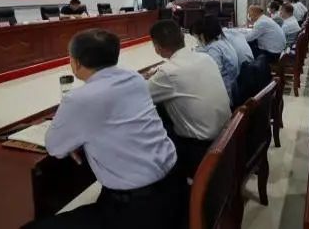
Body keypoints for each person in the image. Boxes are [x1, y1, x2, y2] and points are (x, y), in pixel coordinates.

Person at [26, 29, 181, 229]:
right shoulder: (134, 78)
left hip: (137, 210)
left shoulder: (80, 99)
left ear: (76, 62)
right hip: (173, 186)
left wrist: (73, 141)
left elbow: (54, 147)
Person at [147, 20, 231, 178]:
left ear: (157, 47)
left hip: (198, 148)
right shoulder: (205, 58)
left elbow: (141, 96)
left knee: (153, 116)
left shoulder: (167, 72)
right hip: (226, 135)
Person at [191, 17, 239, 97]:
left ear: (202, 35)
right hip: (231, 84)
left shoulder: (214, 49)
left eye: (197, 37)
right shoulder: (222, 42)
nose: (198, 41)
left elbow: (213, 74)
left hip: (224, 90)